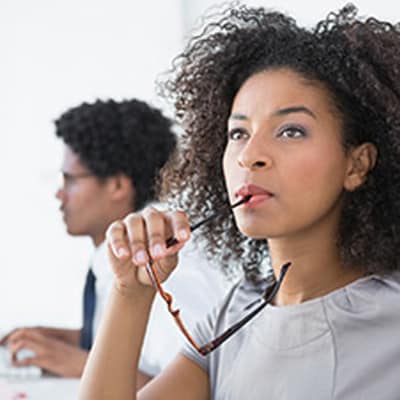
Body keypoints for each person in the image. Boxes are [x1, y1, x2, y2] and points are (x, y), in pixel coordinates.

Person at [79, 4, 400, 399]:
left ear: (357, 164)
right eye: (238, 133)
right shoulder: (235, 315)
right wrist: (132, 292)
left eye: (291, 131)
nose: (251, 155)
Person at [1, 99, 227, 385]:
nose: (60, 194)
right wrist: (71, 340)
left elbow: (196, 388)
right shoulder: (117, 257)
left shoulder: (165, 265)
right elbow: (142, 348)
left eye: (70, 180)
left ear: (118, 186)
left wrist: (78, 363)